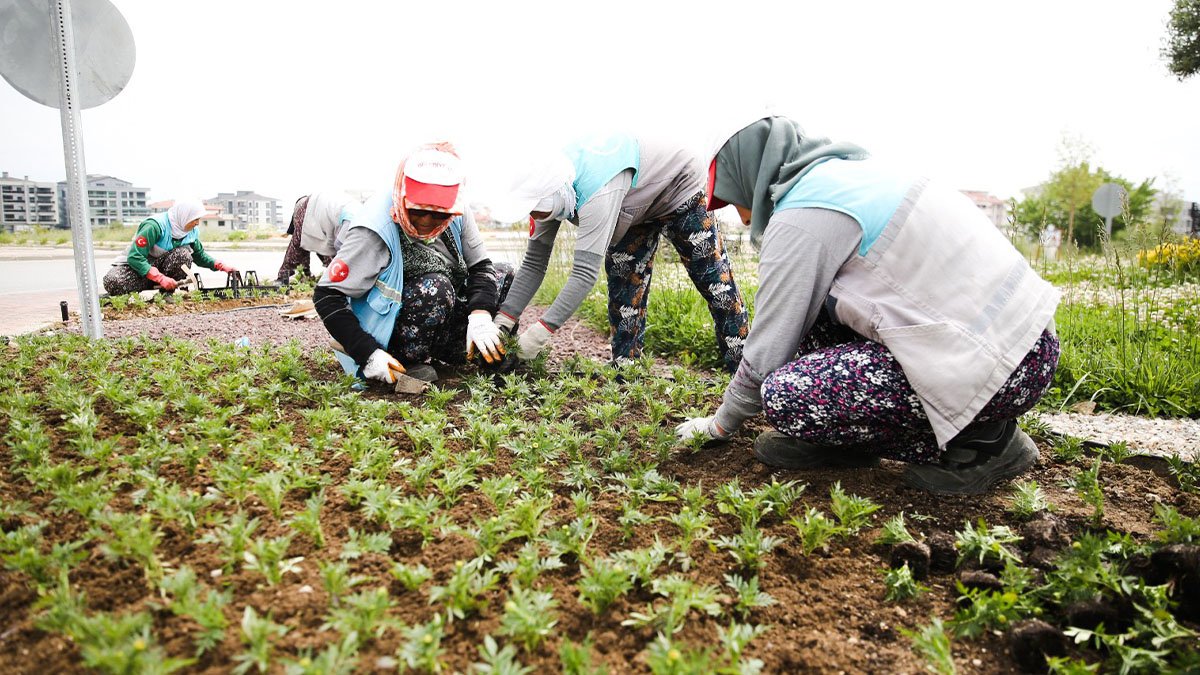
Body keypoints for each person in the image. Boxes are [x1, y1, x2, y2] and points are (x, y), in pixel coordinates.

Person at [675, 116, 1061, 495]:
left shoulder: (804, 213)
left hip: (1000, 368)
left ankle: (980, 440)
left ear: (749, 172)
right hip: (1026, 345)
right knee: (809, 315)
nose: (740, 217)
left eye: (732, 196)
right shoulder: (851, 177)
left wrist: (720, 424)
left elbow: (766, 351)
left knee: (784, 397)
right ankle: (841, 439)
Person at [495, 134, 748, 372]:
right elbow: (533, 263)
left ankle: (745, 374)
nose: (536, 217)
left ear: (556, 194)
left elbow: (583, 274)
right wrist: (501, 324)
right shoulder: (543, 191)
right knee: (624, 289)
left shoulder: (595, 190)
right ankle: (626, 370)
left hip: (679, 187)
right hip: (632, 203)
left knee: (716, 285)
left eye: (539, 211)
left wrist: (538, 334)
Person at [313, 142, 512, 384]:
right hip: (392, 336)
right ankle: (408, 364)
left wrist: (480, 318)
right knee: (436, 287)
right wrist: (367, 353)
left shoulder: (457, 209)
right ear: (402, 197)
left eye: (439, 213)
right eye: (418, 210)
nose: (428, 220)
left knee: (505, 275)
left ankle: (484, 349)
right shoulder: (374, 229)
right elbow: (327, 295)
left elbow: (481, 267)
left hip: (440, 322)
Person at [102, 199, 239, 296]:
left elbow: (199, 256)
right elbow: (135, 257)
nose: (197, 223)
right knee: (113, 281)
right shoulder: (154, 226)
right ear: (184, 216)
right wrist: (160, 278)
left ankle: (167, 293)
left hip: (160, 271)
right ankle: (147, 287)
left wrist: (221, 266)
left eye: (199, 219)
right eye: (195, 219)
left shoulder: (190, 232)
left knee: (183, 255)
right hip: (136, 268)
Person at [276, 191, 358, 284]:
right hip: (309, 208)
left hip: (323, 215)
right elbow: (339, 245)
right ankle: (283, 278)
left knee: (323, 247)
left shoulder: (357, 216)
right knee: (300, 244)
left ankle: (315, 275)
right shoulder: (353, 218)